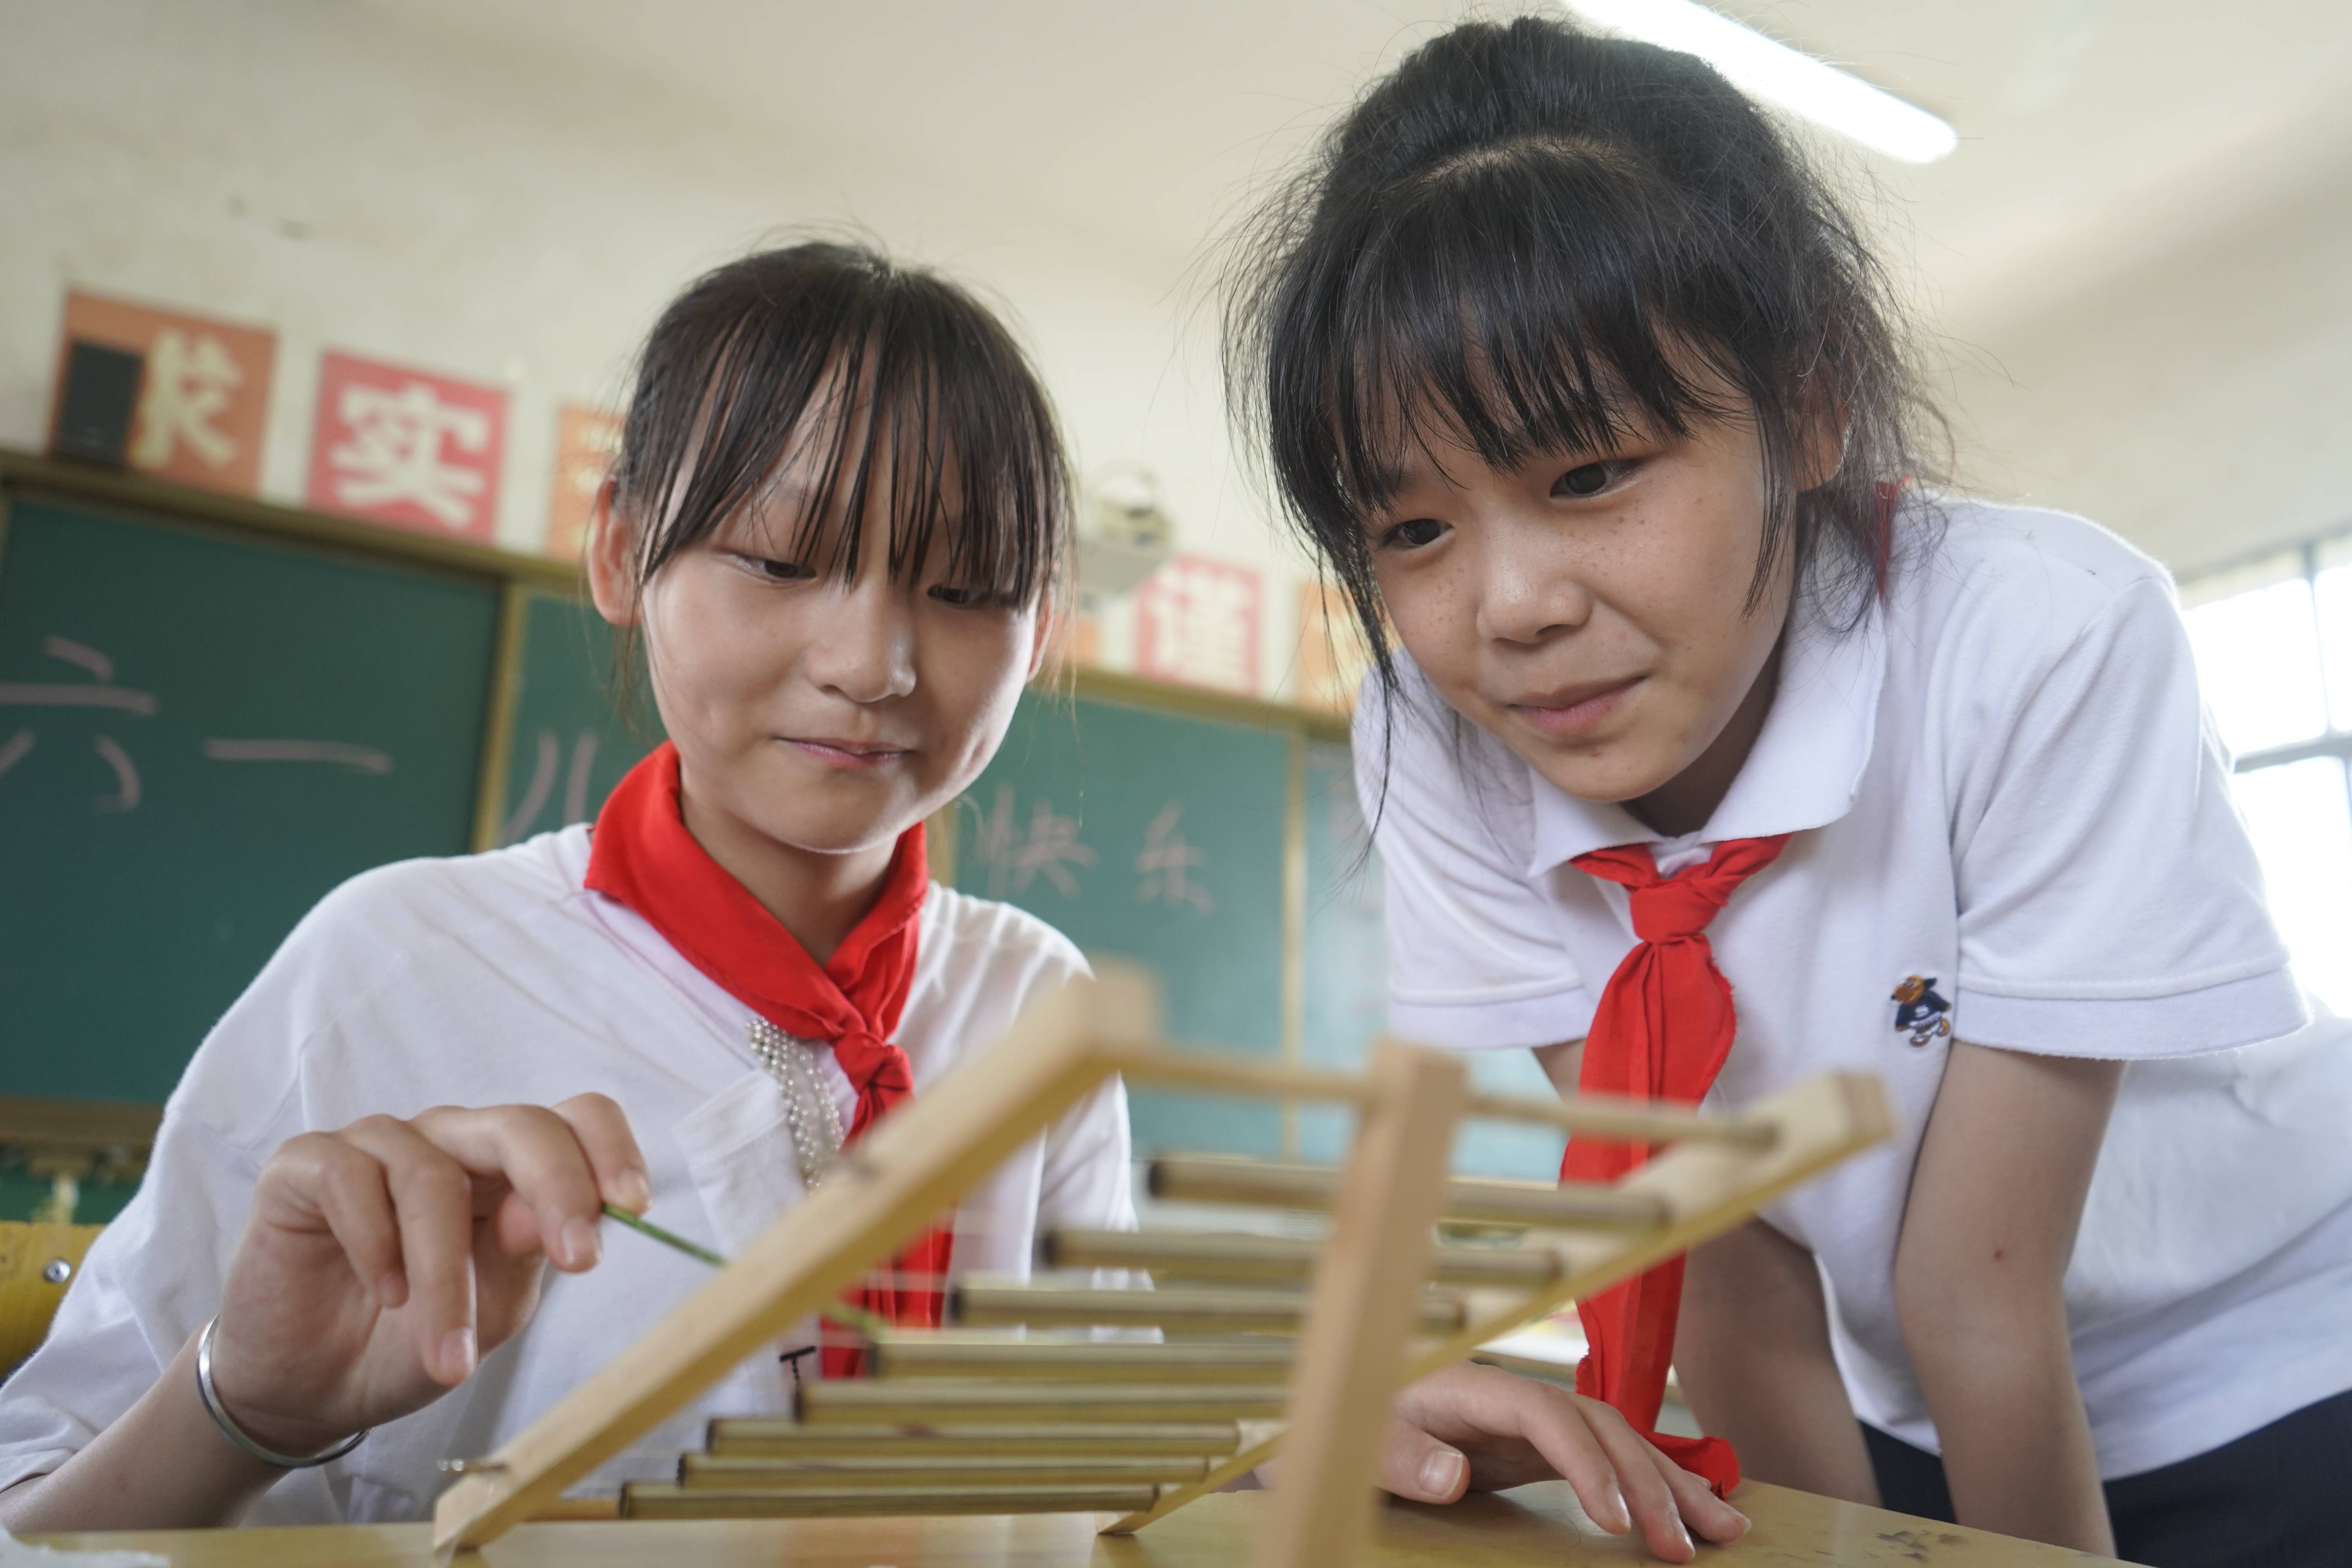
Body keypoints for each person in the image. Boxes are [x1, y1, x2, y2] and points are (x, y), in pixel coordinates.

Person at [0, 241, 1742, 1563]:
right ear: (624, 554)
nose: (872, 661)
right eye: (781, 557)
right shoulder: (393, 964)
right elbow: (37, 1508)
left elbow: (1079, 1447)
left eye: (970, 584)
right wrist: (250, 1404)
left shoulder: (1033, 998)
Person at [1223, 17, 2352, 1568]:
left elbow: (1981, 1290)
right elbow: (1732, 1271)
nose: (1513, 605)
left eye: (1589, 475)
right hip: (1909, 1388)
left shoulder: (2038, 637)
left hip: (2280, 1349)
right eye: (1412, 528)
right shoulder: (1436, 733)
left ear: (1807, 401)